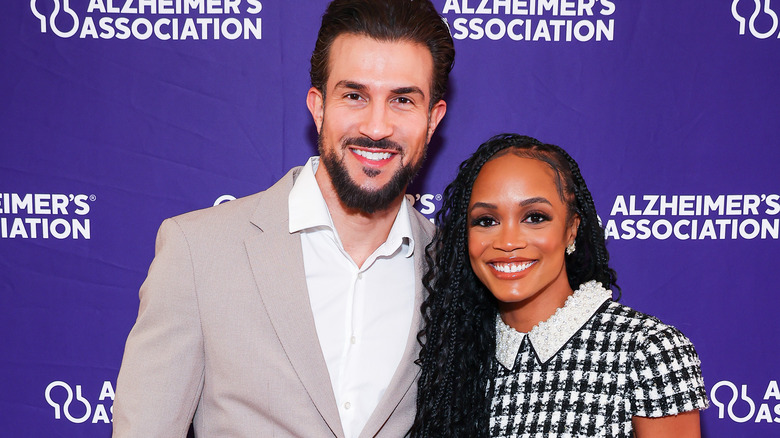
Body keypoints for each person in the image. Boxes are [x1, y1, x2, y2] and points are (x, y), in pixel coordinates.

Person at [112, 1, 453, 436]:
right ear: (318, 106)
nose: (377, 125)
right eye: (354, 96)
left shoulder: (453, 271)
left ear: (432, 119)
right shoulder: (198, 252)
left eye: (402, 100)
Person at [412, 134, 708, 437]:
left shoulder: (647, 350)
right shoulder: (453, 354)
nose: (508, 242)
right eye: (487, 221)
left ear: (571, 230)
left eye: (535, 217)